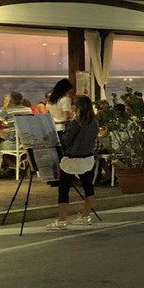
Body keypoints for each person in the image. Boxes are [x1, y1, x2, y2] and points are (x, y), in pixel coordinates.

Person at [49, 95, 99, 230]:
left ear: (77, 107)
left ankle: (62, 220)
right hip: (87, 158)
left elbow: (67, 140)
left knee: (64, 189)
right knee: (88, 187)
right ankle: (86, 216)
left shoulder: (76, 123)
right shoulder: (94, 122)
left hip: (72, 159)